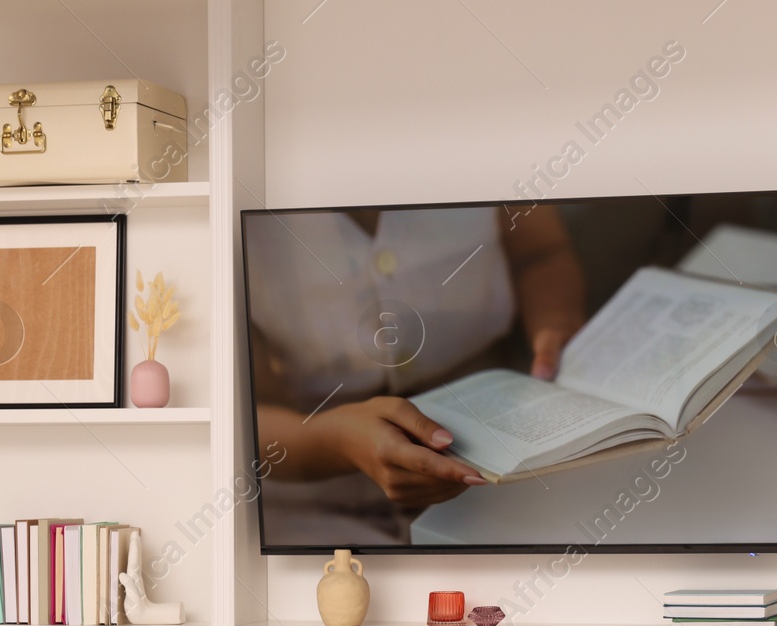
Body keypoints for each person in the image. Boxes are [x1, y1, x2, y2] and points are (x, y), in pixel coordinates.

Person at [248, 204, 585, 530]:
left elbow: (539, 254)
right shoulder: (238, 193)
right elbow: (248, 417)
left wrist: (555, 326)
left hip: (503, 439)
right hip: (316, 488)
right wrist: (336, 443)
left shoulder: (495, 149)